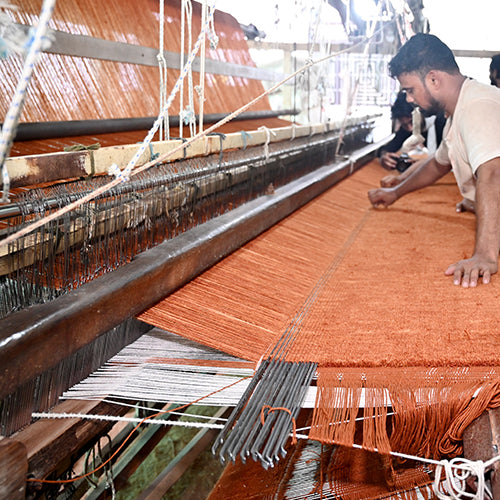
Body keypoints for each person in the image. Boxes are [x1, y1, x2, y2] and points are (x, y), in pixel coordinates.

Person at [368, 33, 500, 288]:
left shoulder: (477, 106)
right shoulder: (459, 111)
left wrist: (485, 255)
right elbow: (437, 164)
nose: (409, 99)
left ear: (433, 79)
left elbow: (493, 173)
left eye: (410, 90)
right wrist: (395, 193)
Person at [378, 91, 445, 170]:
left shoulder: (442, 121)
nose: (410, 128)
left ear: (421, 111)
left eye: (412, 122)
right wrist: (384, 155)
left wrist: (423, 163)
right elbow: (388, 148)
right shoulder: (407, 128)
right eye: (404, 125)